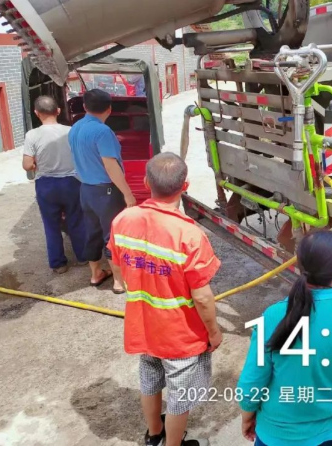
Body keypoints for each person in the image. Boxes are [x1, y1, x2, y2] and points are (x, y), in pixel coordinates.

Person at [108, 153, 223, 446]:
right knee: (180, 396)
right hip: (179, 335)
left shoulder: (123, 220)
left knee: (149, 379)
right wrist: (213, 331)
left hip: (143, 325)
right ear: (185, 185)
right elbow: (202, 297)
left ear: (146, 183)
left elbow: (118, 266)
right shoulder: (189, 235)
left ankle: (154, 434)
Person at [236, 231, 332, 446]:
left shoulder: (273, 315)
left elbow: (253, 381)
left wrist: (247, 416)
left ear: (300, 267)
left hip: (279, 435)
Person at [68, 89, 136, 292]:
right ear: (109, 109)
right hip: (106, 192)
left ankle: (96, 274)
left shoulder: (75, 127)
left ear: (85, 107)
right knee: (112, 235)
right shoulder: (103, 132)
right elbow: (110, 165)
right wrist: (127, 194)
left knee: (93, 232)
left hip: (86, 190)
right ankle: (118, 281)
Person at [22, 96, 87, 274]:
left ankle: (59, 264)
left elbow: (27, 165)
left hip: (46, 185)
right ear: (58, 111)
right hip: (72, 183)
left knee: (51, 225)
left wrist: (36, 165)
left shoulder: (32, 135)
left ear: (36, 113)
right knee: (77, 220)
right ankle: (83, 257)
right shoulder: (71, 131)